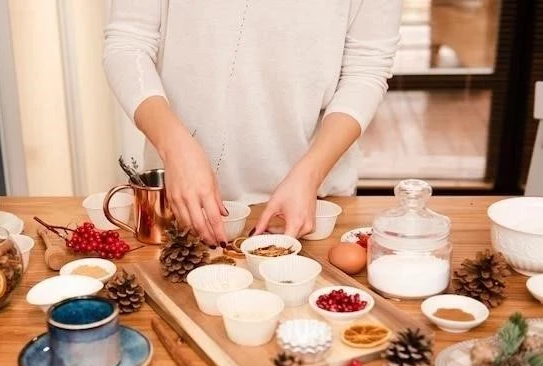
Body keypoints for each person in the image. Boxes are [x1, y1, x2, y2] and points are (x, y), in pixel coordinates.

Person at [104, 0, 402, 246]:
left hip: (308, 203)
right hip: (180, 199)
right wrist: (175, 147)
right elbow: (128, 43)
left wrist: (311, 173)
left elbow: (365, 69)